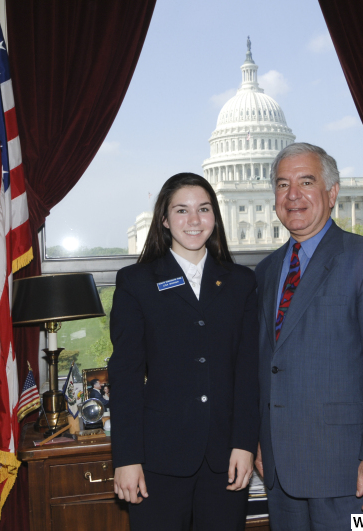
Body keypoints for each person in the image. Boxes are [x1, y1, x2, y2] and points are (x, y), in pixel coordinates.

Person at [254, 143, 363, 530]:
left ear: (332, 192)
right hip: (280, 471)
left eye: (306, 181)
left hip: (349, 472)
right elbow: (263, 365)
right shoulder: (266, 271)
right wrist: (257, 440)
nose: (293, 195)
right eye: (283, 184)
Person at [108, 173, 259, 531]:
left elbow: (248, 371)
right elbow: (126, 377)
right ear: (164, 219)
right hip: (157, 459)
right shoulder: (136, 282)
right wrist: (126, 459)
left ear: (215, 216)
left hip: (226, 457)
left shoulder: (241, 282)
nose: (194, 220)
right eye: (181, 210)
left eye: (203, 209)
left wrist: (245, 445)